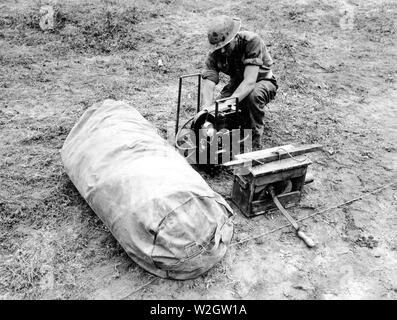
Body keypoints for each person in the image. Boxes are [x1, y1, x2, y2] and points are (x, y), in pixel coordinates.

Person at [201, 15, 278, 150]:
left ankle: (254, 144)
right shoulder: (215, 52)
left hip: (262, 80)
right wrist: (207, 108)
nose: (223, 51)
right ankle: (224, 140)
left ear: (234, 37)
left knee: (252, 96)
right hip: (237, 82)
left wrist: (229, 103)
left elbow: (249, 82)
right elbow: (209, 81)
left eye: (226, 46)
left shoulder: (251, 41)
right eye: (219, 48)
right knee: (218, 112)